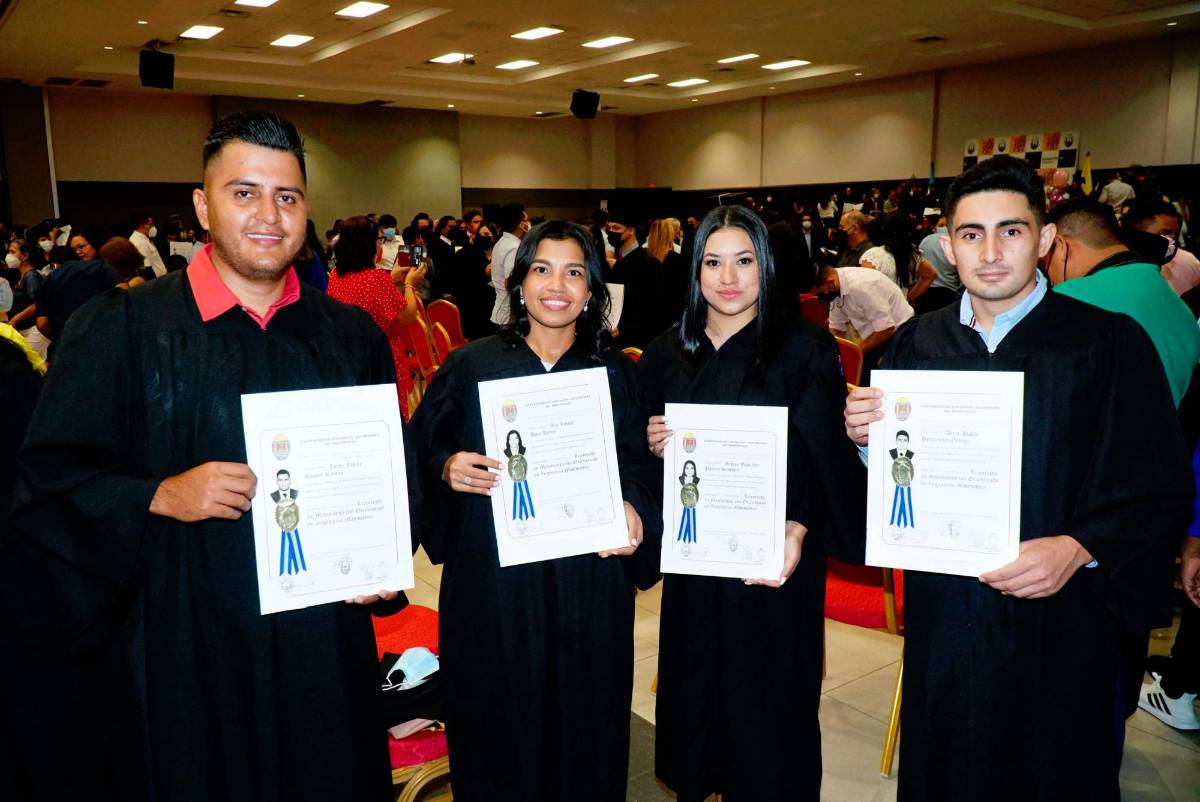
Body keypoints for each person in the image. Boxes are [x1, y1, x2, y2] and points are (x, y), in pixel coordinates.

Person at [2, 110, 415, 802]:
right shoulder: (124, 330)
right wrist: (156, 495)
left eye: (287, 197)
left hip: (321, 647)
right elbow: (47, 480)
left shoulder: (348, 338)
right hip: (186, 648)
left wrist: (380, 557)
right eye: (243, 192)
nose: (268, 215)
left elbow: (388, 471)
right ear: (201, 206)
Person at [844, 155, 1192, 801]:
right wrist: (866, 442)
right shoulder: (916, 346)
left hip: (1060, 625)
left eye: (1012, 230)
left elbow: (1158, 485)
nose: (992, 251)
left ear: (1046, 239)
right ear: (949, 245)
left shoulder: (1108, 344)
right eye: (972, 234)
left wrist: (1081, 549)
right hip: (946, 623)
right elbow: (896, 489)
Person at [409, 219, 659, 801]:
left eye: (575, 272)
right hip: (494, 584)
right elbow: (420, 448)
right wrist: (446, 467)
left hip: (588, 585)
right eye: (541, 269)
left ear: (594, 290)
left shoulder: (618, 372)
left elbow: (647, 470)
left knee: (587, 729)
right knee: (497, 726)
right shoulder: (471, 366)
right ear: (517, 284)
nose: (557, 285)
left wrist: (637, 510)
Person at [640, 205, 865, 801]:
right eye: (712, 262)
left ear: (766, 266)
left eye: (744, 260)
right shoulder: (666, 351)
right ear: (695, 270)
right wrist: (651, 441)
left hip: (776, 562)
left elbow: (824, 456)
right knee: (697, 690)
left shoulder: (805, 347)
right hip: (696, 566)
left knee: (771, 707)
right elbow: (638, 461)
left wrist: (799, 526)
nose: (728, 277)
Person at [1044, 198, 1200, 406]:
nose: (1049, 274)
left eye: (1045, 261)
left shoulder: (1067, 299)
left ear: (1061, 246)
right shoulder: (1178, 303)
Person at [327, 215, 425, 420]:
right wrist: (409, 284)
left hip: (350, 356)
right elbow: (408, 316)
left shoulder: (336, 275)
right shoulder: (376, 279)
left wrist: (391, 278)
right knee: (390, 417)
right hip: (382, 356)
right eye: (379, 240)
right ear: (369, 245)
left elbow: (364, 299)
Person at [812, 258, 913, 381]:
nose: (821, 297)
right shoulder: (836, 287)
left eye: (821, 293)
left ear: (830, 282)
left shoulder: (862, 287)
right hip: (875, 332)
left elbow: (886, 329)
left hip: (900, 332)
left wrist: (856, 351)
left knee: (871, 379)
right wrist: (837, 353)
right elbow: (836, 326)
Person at [607, 208, 674, 349]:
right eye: (609, 228)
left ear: (631, 230)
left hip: (637, 343)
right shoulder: (620, 262)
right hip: (617, 338)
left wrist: (625, 328)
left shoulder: (648, 264)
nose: (611, 232)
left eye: (616, 228)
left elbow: (654, 308)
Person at [859, 212, 937, 304]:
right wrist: (909, 297)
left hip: (880, 313)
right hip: (903, 311)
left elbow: (862, 289)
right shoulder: (913, 255)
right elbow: (931, 274)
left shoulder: (874, 255)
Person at [488, 202, 528, 327]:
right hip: (508, 314)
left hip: (502, 309)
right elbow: (509, 282)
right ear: (521, 224)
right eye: (526, 220)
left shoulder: (503, 242)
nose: (528, 224)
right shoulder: (513, 247)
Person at [916, 215, 963, 313]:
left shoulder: (925, 240)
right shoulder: (957, 243)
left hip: (925, 292)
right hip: (948, 294)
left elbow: (918, 266)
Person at [128, 212, 167, 278]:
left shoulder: (142, 238)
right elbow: (146, 269)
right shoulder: (140, 242)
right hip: (157, 281)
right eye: (150, 224)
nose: (153, 227)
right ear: (142, 225)